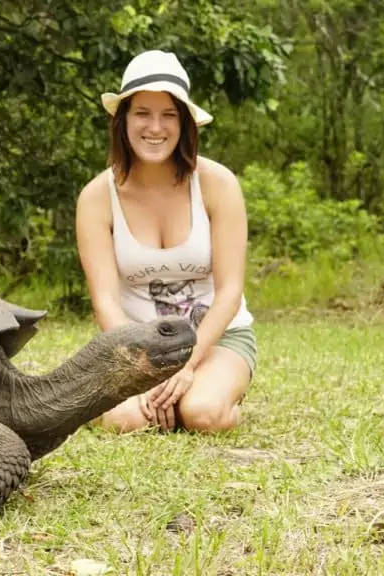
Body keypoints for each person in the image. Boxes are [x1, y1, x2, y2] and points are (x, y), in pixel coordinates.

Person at [74, 50, 258, 433]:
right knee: (124, 420)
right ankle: (165, 401)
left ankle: (218, 392)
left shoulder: (218, 184)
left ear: (185, 123)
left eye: (168, 115)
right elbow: (105, 301)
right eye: (142, 113)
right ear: (122, 120)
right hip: (136, 346)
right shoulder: (95, 198)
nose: (155, 127)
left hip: (217, 340)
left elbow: (230, 290)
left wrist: (188, 365)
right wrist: (144, 369)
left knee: (202, 414)